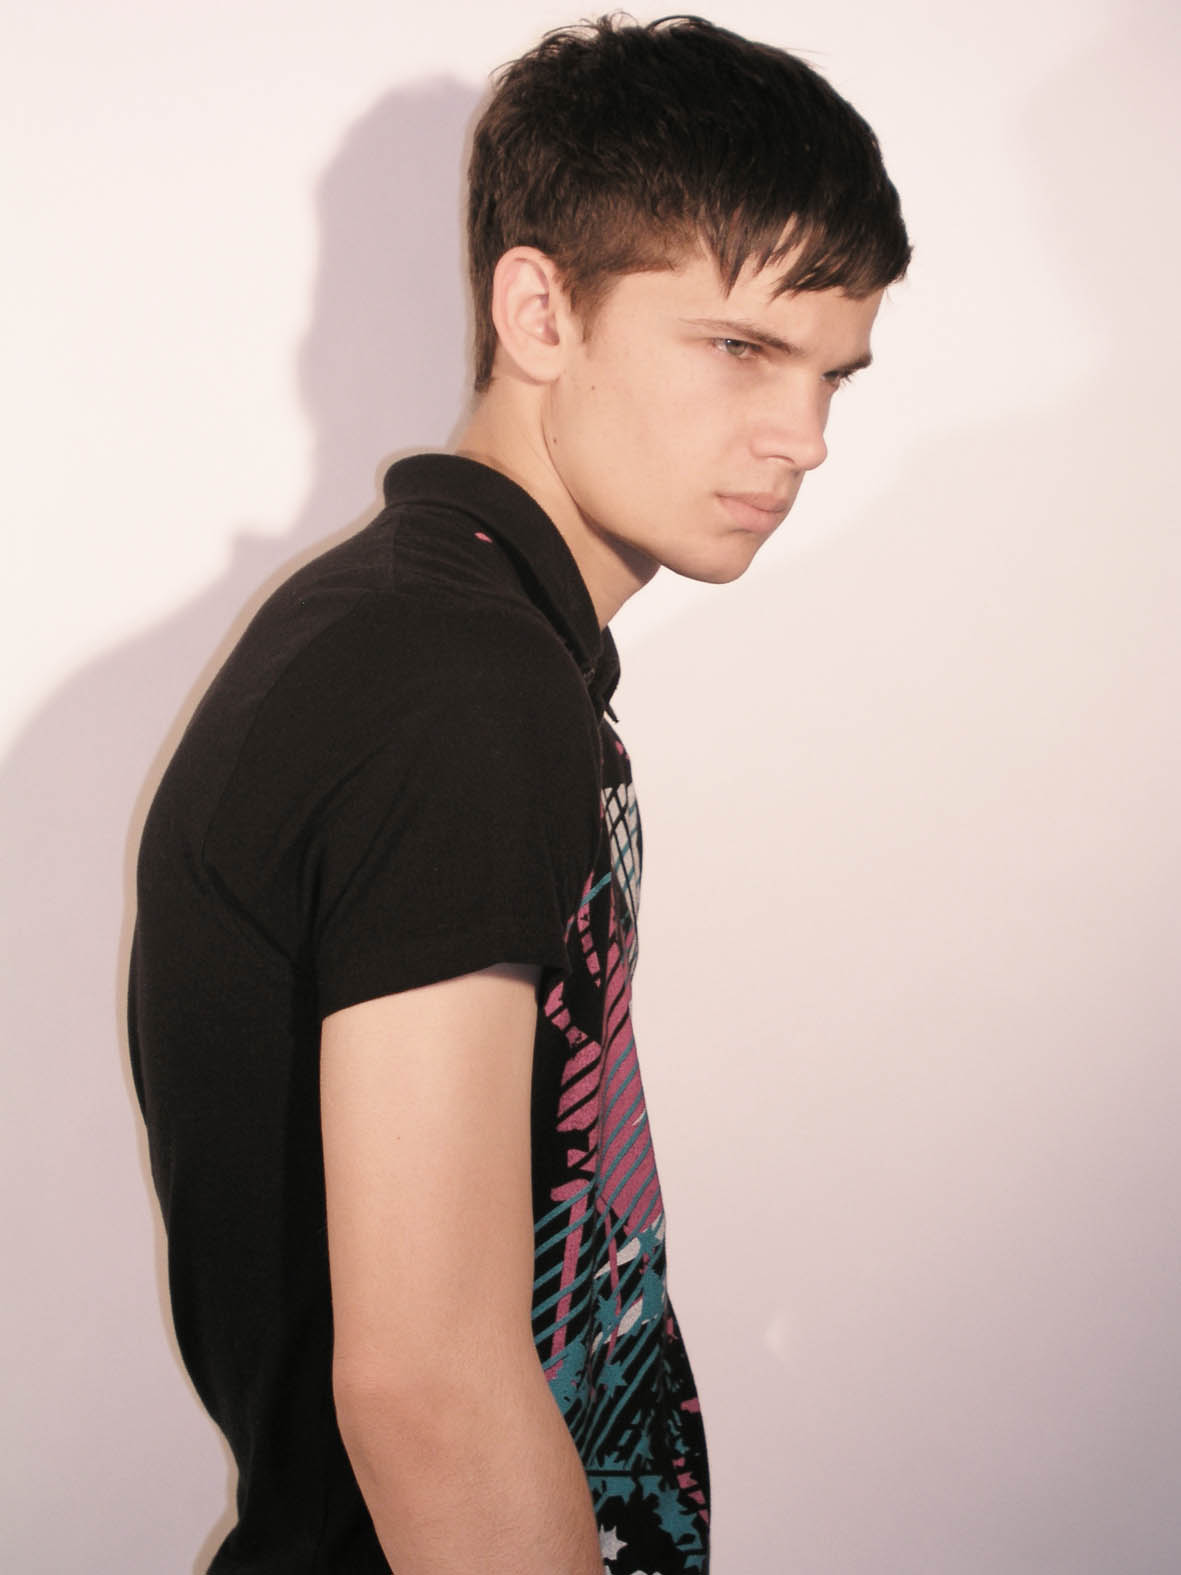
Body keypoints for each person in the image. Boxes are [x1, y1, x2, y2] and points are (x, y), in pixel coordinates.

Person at [128, 14, 910, 1574]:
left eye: (833, 372)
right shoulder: (451, 688)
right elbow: (426, 1390)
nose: (804, 438)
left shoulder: (440, 640)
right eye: (740, 349)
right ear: (538, 308)